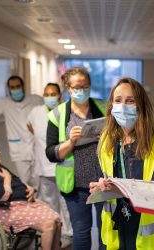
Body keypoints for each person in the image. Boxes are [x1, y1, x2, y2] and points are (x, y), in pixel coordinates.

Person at [89, 77, 154, 250]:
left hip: (149, 233)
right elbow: (107, 176)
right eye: (118, 101)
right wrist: (101, 185)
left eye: (130, 101)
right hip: (117, 226)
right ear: (111, 106)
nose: (123, 106)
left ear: (141, 106)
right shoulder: (106, 141)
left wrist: (116, 188)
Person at [45, 67, 106, 250]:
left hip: (104, 182)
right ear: (68, 88)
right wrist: (70, 141)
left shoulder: (103, 107)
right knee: (81, 231)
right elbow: (50, 153)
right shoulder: (58, 115)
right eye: (77, 87)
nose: (82, 90)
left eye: (85, 86)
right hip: (75, 186)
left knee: (107, 231)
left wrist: (106, 137)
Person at [0, 138, 61, 250]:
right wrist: (6, 178)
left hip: (24, 205)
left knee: (56, 220)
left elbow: (17, 181)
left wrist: (29, 188)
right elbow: (3, 197)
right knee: (49, 225)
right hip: (7, 210)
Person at [27, 82, 73, 248]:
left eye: (53, 94)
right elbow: (30, 126)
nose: (50, 97)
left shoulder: (66, 111)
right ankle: (52, 231)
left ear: (59, 95)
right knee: (48, 202)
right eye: (47, 94)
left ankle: (68, 233)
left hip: (63, 166)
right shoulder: (35, 112)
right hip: (44, 166)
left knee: (65, 203)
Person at [0, 75, 43, 186]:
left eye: (18, 86)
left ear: (23, 86)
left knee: (39, 181)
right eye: (12, 87)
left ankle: (40, 203)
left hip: (36, 145)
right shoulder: (5, 103)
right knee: (24, 181)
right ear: (9, 89)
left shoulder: (36, 99)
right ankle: (27, 203)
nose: (15, 90)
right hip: (18, 148)